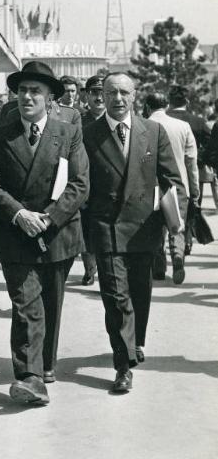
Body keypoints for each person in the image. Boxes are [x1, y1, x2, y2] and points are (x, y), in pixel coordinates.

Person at [0, 61, 89, 405]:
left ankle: (44, 365)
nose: (27, 97)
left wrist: (48, 217)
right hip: (15, 233)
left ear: (50, 98)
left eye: (35, 91)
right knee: (26, 303)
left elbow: (79, 183)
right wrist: (18, 214)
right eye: (22, 91)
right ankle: (29, 375)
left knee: (51, 302)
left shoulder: (68, 133)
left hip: (57, 232)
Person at [83, 73, 184, 393]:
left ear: (135, 96)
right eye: (111, 92)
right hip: (107, 228)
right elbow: (79, 183)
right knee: (115, 297)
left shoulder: (153, 132)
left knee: (140, 295)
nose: (117, 98)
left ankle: (135, 341)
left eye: (124, 92)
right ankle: (123, 364)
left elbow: (173, 180)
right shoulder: (88, 134)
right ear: (102, 95)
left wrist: (174, 221)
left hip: (145, 229)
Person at [144, 93, 200, 284]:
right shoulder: (183, 127)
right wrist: (195, 191)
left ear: (147, 106)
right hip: (178, 183)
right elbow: (191, 161)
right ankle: (177, 255)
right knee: (177, 224)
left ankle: (159, 266)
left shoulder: (142, 126)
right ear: (167, 105)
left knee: (155, 226)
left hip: (152, 185)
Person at [167, 85, 211, 253]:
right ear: (187, 101)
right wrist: (199, 158)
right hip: (191, 172)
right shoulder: (198, 122)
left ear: (169, 101)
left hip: (164, 171)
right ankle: (186, 241)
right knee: (191, 208)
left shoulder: (160, 120)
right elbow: (211, 146)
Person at [79, 75, 106, 285]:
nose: (99, 98)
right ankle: (90, 269)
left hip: (110, 188)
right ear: (86, 96)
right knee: (87, 232)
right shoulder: (78, 122)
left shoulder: (117, 122)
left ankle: (106, 270)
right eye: (94, 93)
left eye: (101, 92)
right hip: (87, 187)